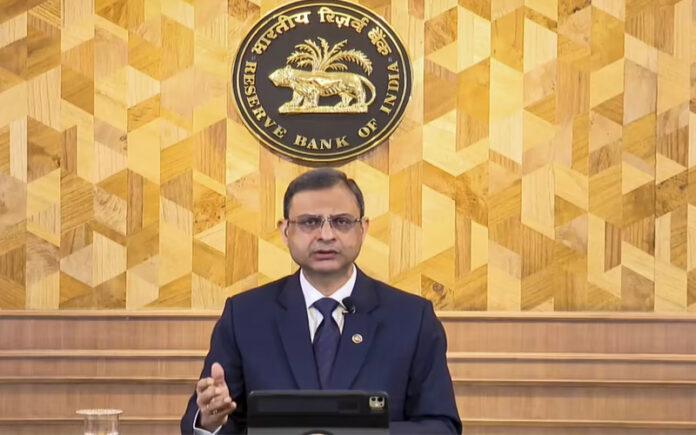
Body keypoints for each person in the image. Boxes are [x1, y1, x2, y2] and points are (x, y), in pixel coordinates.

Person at [181, 168, 461, 434]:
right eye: (309, 222)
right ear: (285, 231)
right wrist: (210, 421)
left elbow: (441, 427)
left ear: (363, 229)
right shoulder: (245, 316)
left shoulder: (412, 318)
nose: (326, 236)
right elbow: (207, 421)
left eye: (342, 222)